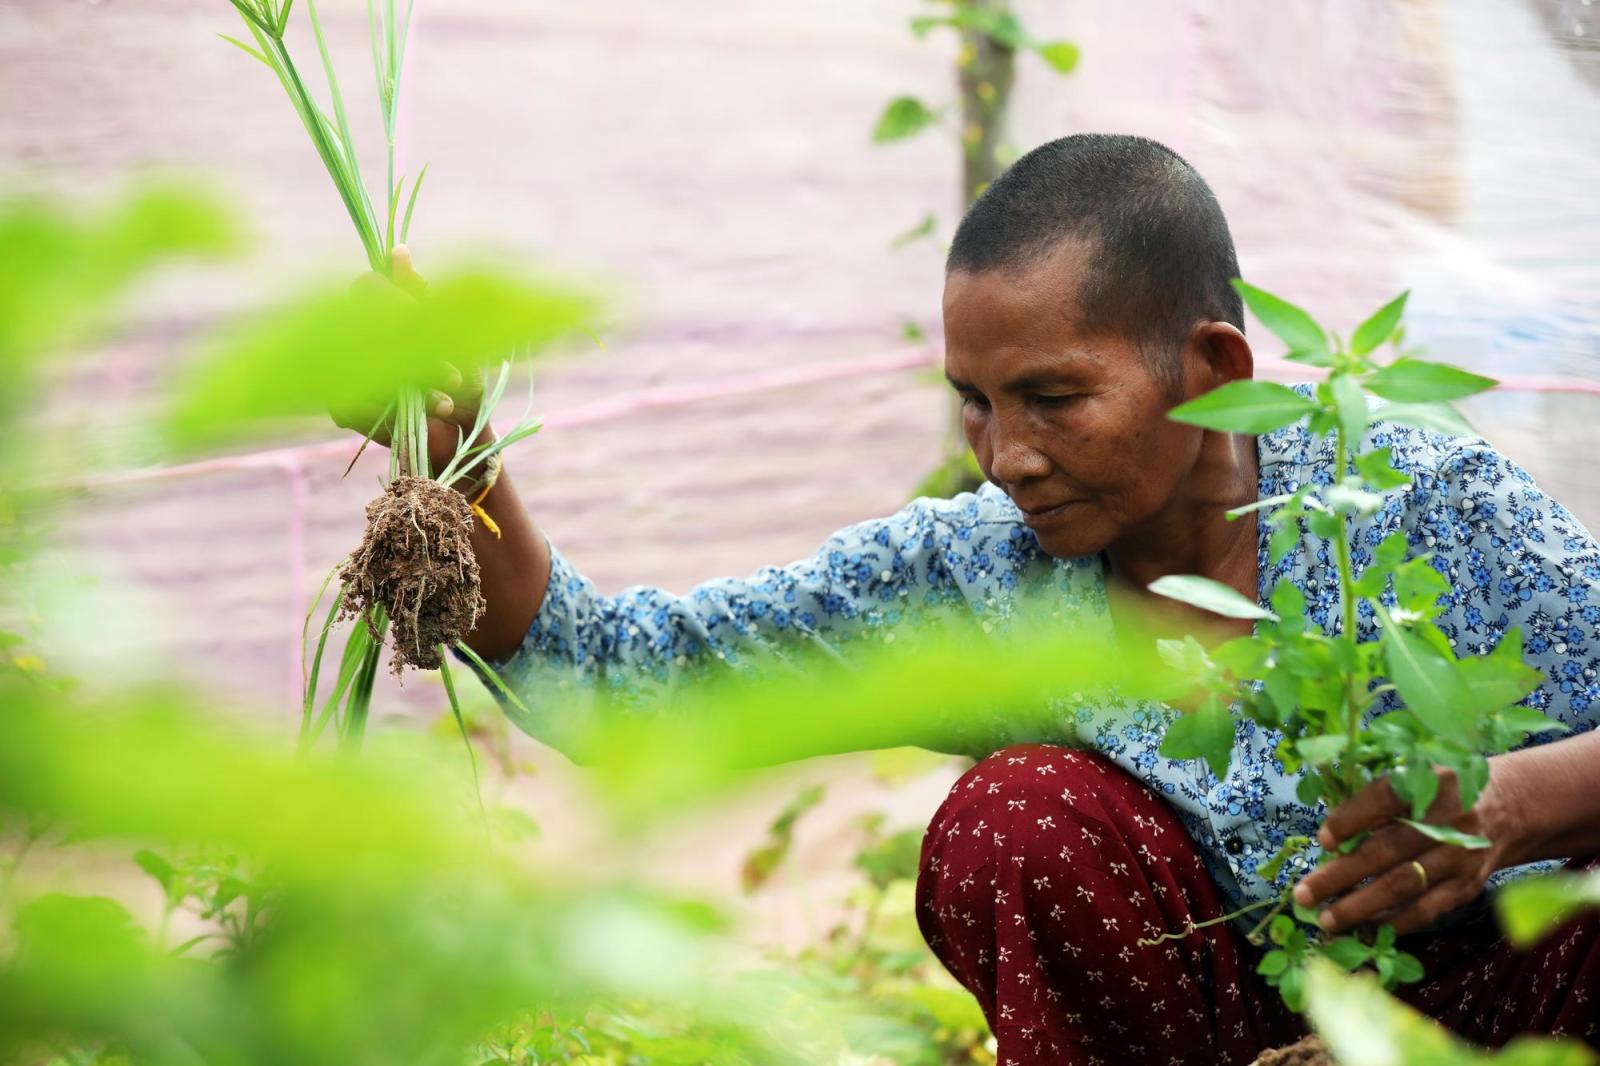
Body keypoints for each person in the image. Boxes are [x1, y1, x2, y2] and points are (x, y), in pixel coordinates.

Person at [338, 134, 1600, 1063]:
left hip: (1499, 1015)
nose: (1006, 456)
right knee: (1020, 818)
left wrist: (1505, 805)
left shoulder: (1401, 502)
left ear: (1214, 368)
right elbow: (623, 676)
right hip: (1215, 1029)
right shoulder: (980, 574)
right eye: (974, 402)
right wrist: (462, 455)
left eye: (1053, 398)